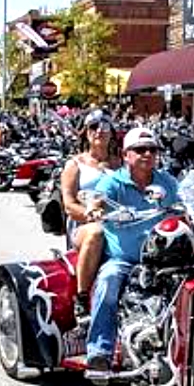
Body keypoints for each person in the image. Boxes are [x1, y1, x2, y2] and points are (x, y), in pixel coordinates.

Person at [84, 127, 180, 378]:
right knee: (108, 280)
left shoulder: (167, 181)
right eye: (140, 150)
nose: (147, 154)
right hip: (125, 260)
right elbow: (97, 200)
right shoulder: (114, 181)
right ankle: (99, 353)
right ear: (126, 155)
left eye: (153, 149)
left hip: (164, 259)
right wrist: (95, 209)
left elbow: (187, 201)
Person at [61, 111, 120, 313]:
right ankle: (82, 297)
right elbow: (69, 204)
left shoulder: (121, 164)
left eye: (104, 126)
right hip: (84, 226)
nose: (99, 131)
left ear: (112, 133)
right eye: (93, 127)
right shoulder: (75, 164)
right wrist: (91, 214)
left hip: (120, 222)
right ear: (86, 133)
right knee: (96, 232)